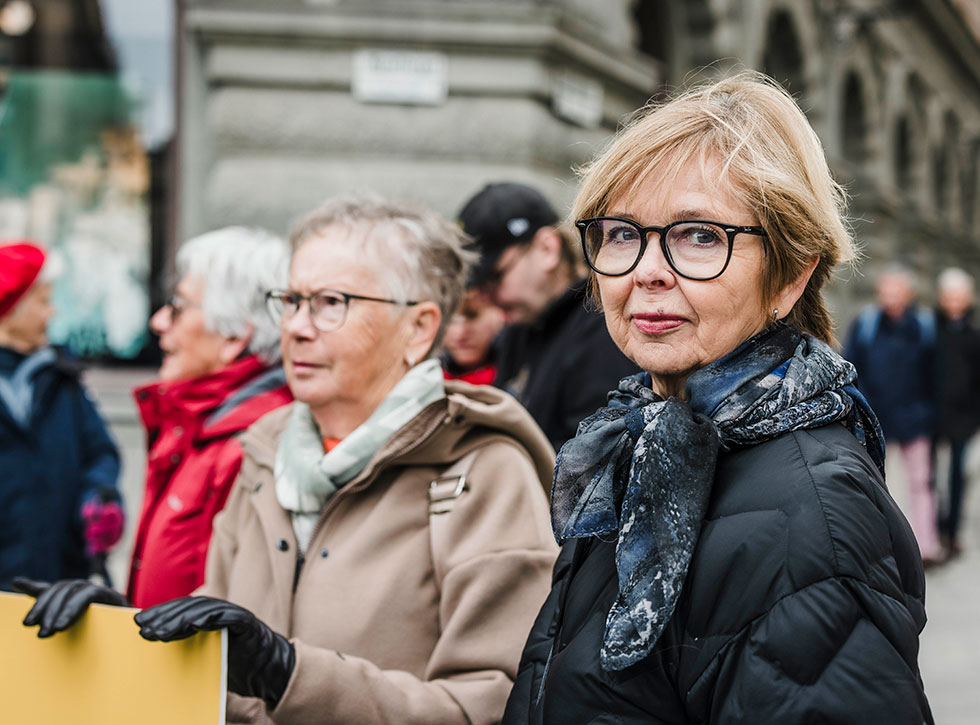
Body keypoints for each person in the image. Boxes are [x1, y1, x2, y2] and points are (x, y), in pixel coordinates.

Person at [18, 196, 558, 725]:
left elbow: (492, 706)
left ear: (418, 329)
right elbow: (213, 662)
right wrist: (115, 632)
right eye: (292, 300)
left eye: (330, 303)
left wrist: (288, 675)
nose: (297, 327)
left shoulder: (486, 472)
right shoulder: (266, 451)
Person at [503, 73, 932, 723]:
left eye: (699, 235)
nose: (647, 269)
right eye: (622, 232)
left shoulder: (813, 513)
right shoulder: (641, 437)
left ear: (791, 273)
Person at [126, 227, 293, 607]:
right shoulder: (196, 422)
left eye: (178, 307)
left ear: (234, 338)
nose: (159, 322)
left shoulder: (254, 444)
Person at [459, 182, 638, 450]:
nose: (488, 297)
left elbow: (593, 459)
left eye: (496, 277)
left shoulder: (603, 330)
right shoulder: (521, 328)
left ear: (547, 249)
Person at [0, 240, 123, 590]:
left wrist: (99, 495)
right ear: (11, 310)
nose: (51, 313)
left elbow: (100, 451)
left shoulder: (63, 379)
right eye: (42, 301)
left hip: (61, 584)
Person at [844, 265, 942, 564]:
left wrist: (928, 412)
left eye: (896, 289)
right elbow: (850, 367)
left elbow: (935, 375)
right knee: (873, 484)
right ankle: (876, 547)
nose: (889, 295)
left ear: (909, 293)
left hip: (914, 419)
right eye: (885, 289)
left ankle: (926, 547)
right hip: (876, 419)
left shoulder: (923, 327)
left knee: (921, 483)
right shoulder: (866, 324)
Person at [934, 267, 980, 557]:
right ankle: (936, 525)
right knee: (933, 475)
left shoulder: (974, 336)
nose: (954, 302)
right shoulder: (931, 332)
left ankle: (953, 530)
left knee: (958, 475)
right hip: (935, 414)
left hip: (964, 417)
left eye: (959, 296)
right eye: (949, 296)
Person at [441, 286, 505, 385]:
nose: (460, 334)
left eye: (472, 316)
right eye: (452, 320)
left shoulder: (517, 381)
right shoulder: (427, 381)